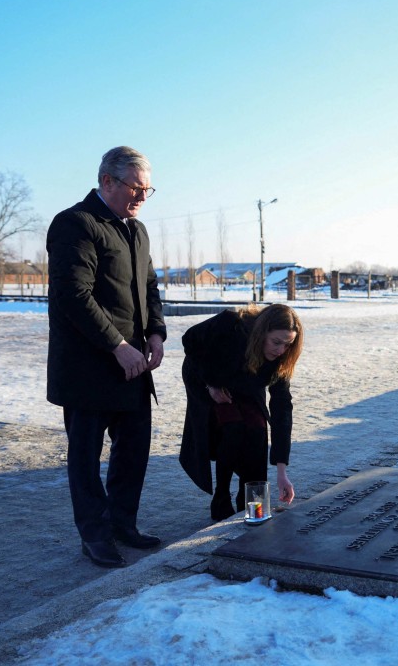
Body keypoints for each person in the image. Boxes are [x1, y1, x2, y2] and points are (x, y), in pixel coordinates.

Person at [46, 146, 166, 569]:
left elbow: (150, 287)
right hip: (89, 367)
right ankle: (94, 536)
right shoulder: (74, 224)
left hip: (134, 364)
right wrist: (117, 345)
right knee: (86, 457)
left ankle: (122, 524)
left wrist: (155, 332)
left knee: (134, 450)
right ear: (107, 181)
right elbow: (73, 297)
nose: (140, 198)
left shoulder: (138, 230)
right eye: (135, 188)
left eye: (148, 190)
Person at [180, 303, 303, 521]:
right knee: (232, 427)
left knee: (256, 429)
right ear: (262, 332)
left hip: (246, 386)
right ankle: (221, 499)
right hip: (208, 378)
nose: (280, 350)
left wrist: (282, 472)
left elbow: (282, 409)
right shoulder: (232, 324)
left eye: (288, 344)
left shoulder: (281, 359)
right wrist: (211, 384)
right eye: (276, 342)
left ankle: (252, 506)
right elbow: (190, 340)